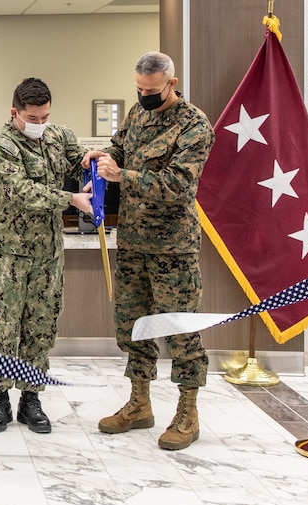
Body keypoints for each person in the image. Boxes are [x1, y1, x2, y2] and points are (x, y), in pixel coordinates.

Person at [83, 51, 215, 451]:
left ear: (171, 84)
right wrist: (103, 158)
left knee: (179, 331)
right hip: (134, 245)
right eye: (139, 90)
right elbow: (120, 148)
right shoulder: (138, 115)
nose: (144, 97)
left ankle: (187, 413)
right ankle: (139, 404)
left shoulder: (194, 125)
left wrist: (123, 175)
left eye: (152, 91)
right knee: (133, 328)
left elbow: (178, 184)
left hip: (173, 250)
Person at [0, 78, 92, 434]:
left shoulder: (58, 136)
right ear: (15, 113)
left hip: (47, 254)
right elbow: (21, 191)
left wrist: (92, 162)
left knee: (40, 328)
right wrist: (71, 200)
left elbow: (78, 162)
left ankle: (31, 398)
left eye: (45, 116)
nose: (40, 123)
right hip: (6, 255)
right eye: (33, 117)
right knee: (2, 329)